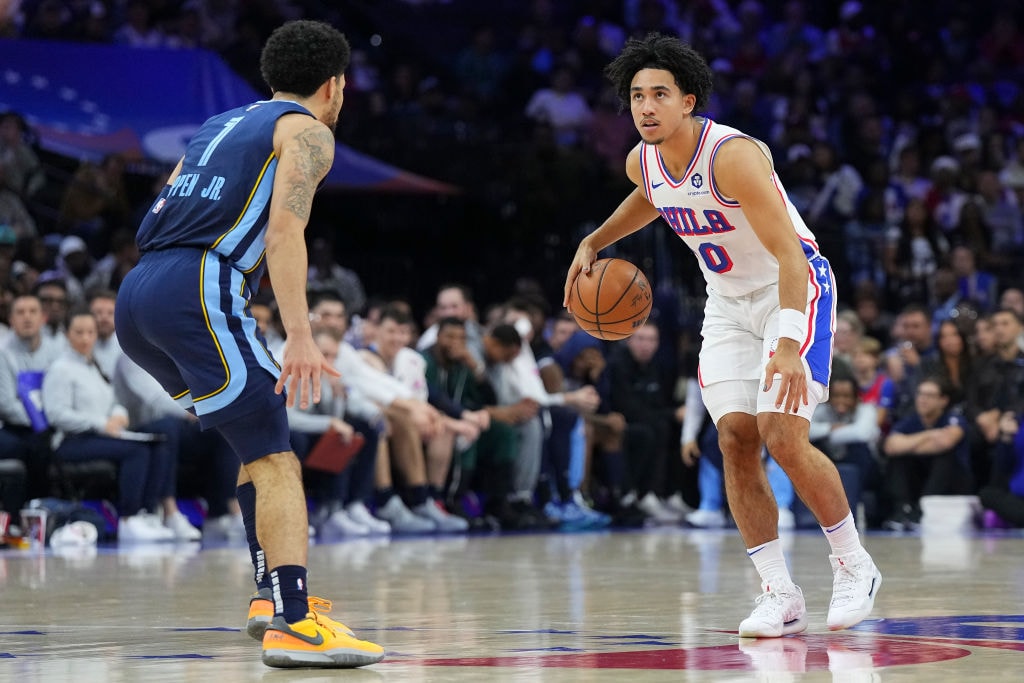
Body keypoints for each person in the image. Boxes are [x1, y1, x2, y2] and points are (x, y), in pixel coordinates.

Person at [563, 33, 881, 638]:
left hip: (794, 288)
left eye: (659, 94)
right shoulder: (642, 159)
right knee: (735, 437)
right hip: (729, 302)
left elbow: (789, 253)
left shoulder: (732, 156)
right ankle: (779, 593)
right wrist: (595, 241)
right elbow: (652, 197)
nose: (646, 106)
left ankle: (853, 563)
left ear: (688, 101)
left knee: (782, 435)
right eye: (636, 96)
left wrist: (788, 341)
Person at [113, 20, 384, 669]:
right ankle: (294, 621)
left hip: (138, 290)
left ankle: (270, 597)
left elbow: (160, 209)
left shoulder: (217, 126)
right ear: (336, 85)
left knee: (253, 437)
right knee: (279, 459)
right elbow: (285, 235)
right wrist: (300, 335)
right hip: (197, 285)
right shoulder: (308, 131)